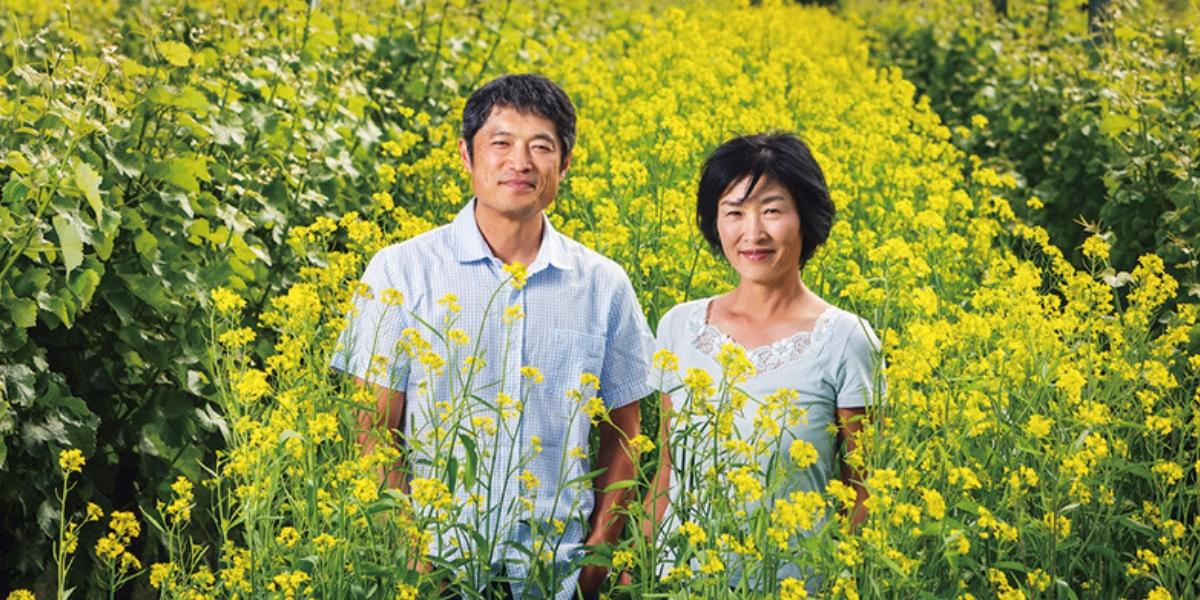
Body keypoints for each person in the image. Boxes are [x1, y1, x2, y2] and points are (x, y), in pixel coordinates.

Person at [330, 74, 653, 599]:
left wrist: (594, 558)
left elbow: (626, 432)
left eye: (540, 146)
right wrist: (411, 558)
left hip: (555, 574)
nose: (519, 162)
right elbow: (372, 428)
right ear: (466, 155)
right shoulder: (400, 271)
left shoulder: (602, 283)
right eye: (500, 143)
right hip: (434, 569)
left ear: (564, 163)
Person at [646, 132, 883, 588]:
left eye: (772, 210)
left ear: (805, 219)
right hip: (687, 585)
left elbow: (864, 491)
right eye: (734, 212)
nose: (752, 233)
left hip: (795, 585)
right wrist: (648, 572)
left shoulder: (846, 339)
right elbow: (667, 471)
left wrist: (841, 585)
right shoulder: (678, 326)